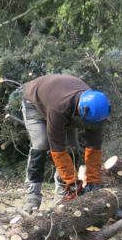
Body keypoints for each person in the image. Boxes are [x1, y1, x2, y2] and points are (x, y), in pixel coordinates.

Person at [21, 74, 110, 211]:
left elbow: (94, 146)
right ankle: (32, 195)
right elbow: (57, 148)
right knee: (41, 144)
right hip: (35, 102)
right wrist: (72, 180)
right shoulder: (60, 108)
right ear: (82, 111)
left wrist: (93, 181)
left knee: (72, 148)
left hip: (61, 101)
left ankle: (63, 195)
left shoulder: (98, 110)